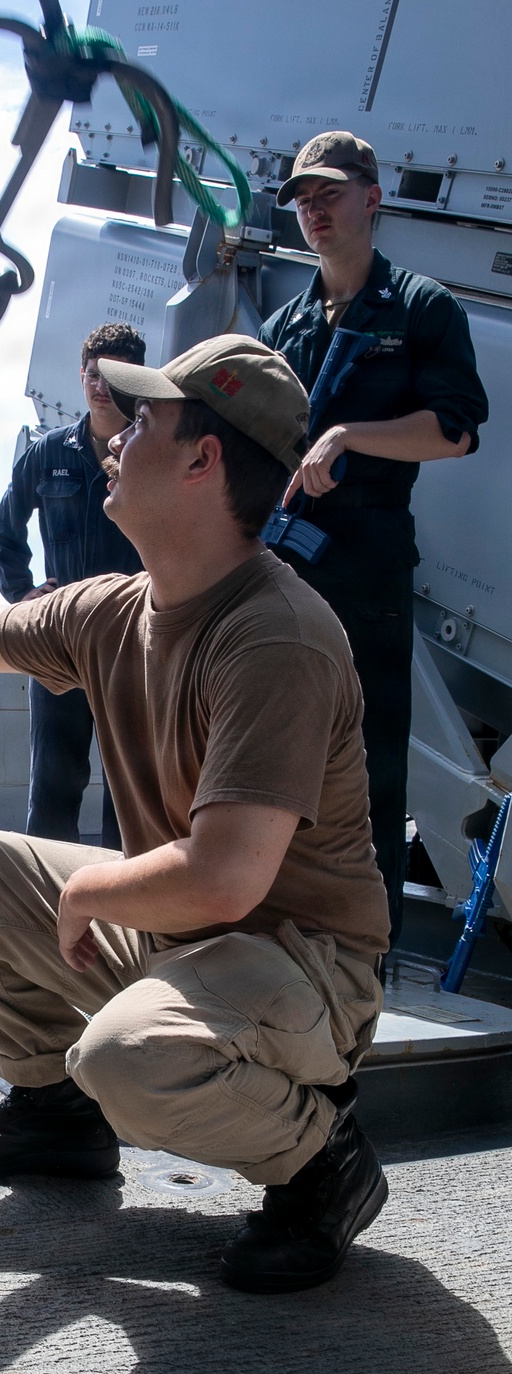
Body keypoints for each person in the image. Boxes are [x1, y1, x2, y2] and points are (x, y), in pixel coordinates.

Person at [0, 334, 391, 1295]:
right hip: (184, 935)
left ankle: (321, 1159)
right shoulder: (117, 608)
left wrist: (88, 894)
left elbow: (225, 879)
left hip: (301, 962)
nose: (113, 436)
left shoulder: (276, 636)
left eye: (143, 419)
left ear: (204, 459)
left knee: (128, 1059)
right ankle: (53, 1115)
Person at [259, 131, 488, 943]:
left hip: (367, 569)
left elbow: (456, 431)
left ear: (372, 197)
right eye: (302, 199)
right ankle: (275, 933)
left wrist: (349, 436)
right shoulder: (283, 325)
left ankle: (367, 956)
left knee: (369, 762)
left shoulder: (422, 307)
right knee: (276, 751)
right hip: (283, 569)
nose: (314, 211)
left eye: (329, 193)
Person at [0, 322, 146, 848]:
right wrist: (22, 596)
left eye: (115, 375)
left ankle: (128, 894)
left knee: (132, 795)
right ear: (81, 376)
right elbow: (5, 530)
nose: (102, 386)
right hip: (60, 642)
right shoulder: (48, 453)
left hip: (133, 642)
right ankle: (45, 894)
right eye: (93, 375)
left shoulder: (154, 453)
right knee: (54, 787)